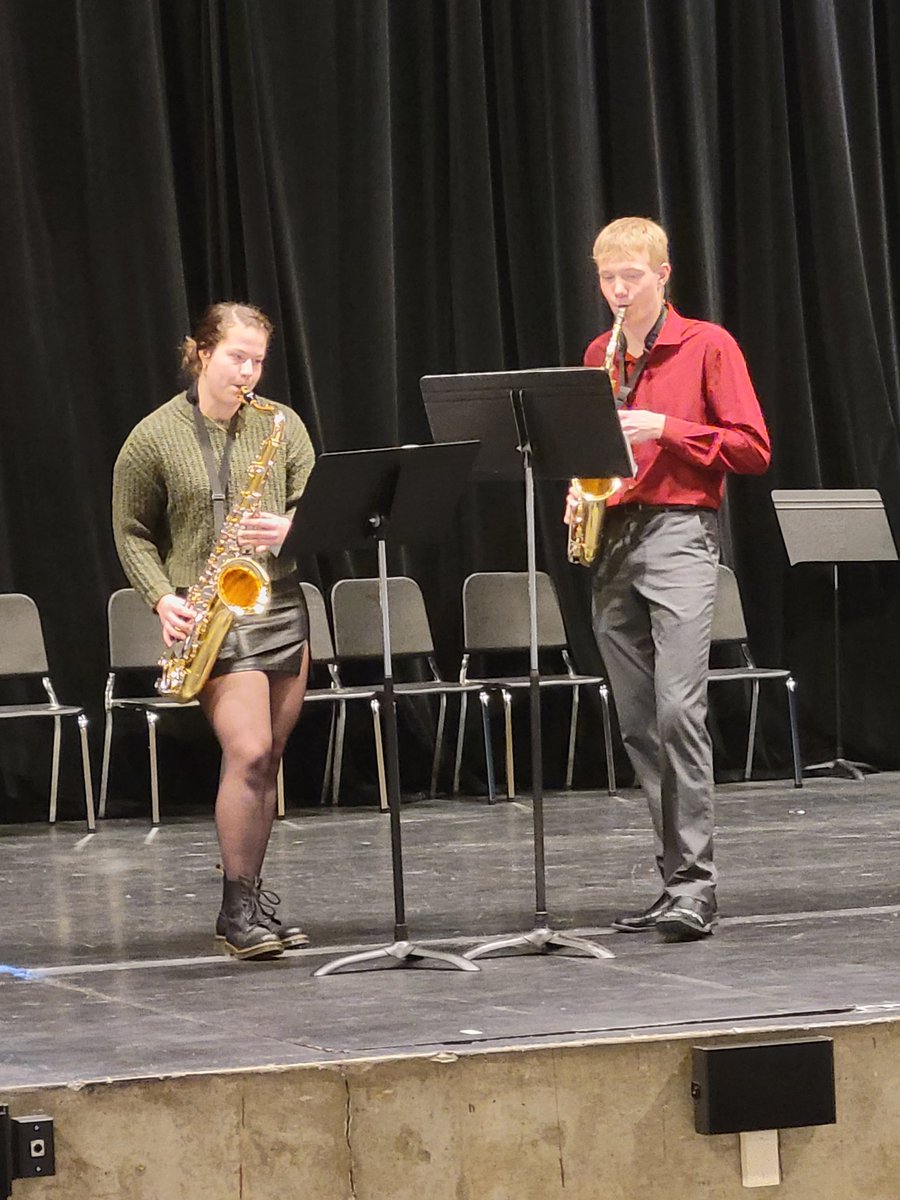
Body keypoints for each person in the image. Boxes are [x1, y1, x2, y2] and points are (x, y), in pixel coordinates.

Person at [571, 217, 771, 941]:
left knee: (679, 708)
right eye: (607, 279)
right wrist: (582, 486)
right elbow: (596, 446)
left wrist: (667, 427)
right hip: (614, 539)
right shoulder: (600, 353)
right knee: (635, 720)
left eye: (632, 277)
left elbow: (752, 449)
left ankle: (698, 885)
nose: (618, 292)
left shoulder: (707, 344)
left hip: (681, 535)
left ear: (663, 275)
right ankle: (672, 878)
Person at [112, 302, 316, 960]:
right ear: (201, 353)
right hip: (211, 613)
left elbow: (320, 505)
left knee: (268, 763)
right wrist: (160, 597)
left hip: (279, 602)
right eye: (236, 358)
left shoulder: (281, 426)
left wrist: (292, 527)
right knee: (250, 752)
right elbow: (132, 532)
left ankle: (247, 903)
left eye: (258, 361)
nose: (248, 373)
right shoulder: (153, 437)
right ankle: (236, 909)